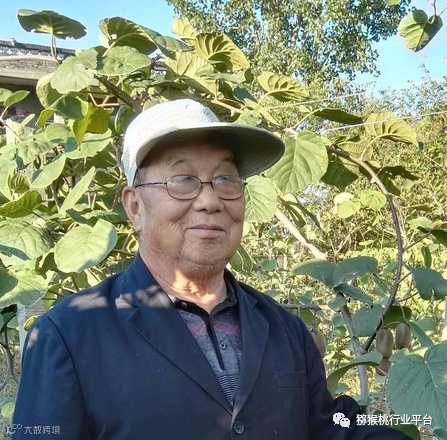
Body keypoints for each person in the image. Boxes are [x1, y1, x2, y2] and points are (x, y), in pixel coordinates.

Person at [12, 99, 410, 439]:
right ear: (134, 206)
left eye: (225, 179)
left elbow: (329, 424)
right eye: (183, 179)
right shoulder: (69, 336)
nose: (210, 200)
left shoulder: (284, 330)